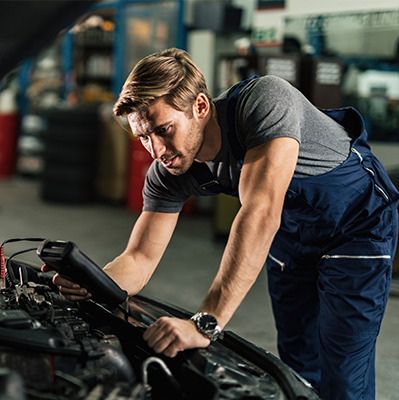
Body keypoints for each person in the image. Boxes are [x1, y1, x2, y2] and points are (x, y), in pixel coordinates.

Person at [46, 48, 399, 400]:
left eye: (163, 130)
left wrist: (206, 322)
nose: (156, 150)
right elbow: (139, 258)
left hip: (356, 225)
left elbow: (260, 212)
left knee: (342, 372)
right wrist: (93, 280)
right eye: (143, 137)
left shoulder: (264, 102)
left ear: (200, 106)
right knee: (298, 364)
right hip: (292, 235)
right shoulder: (168, 172)